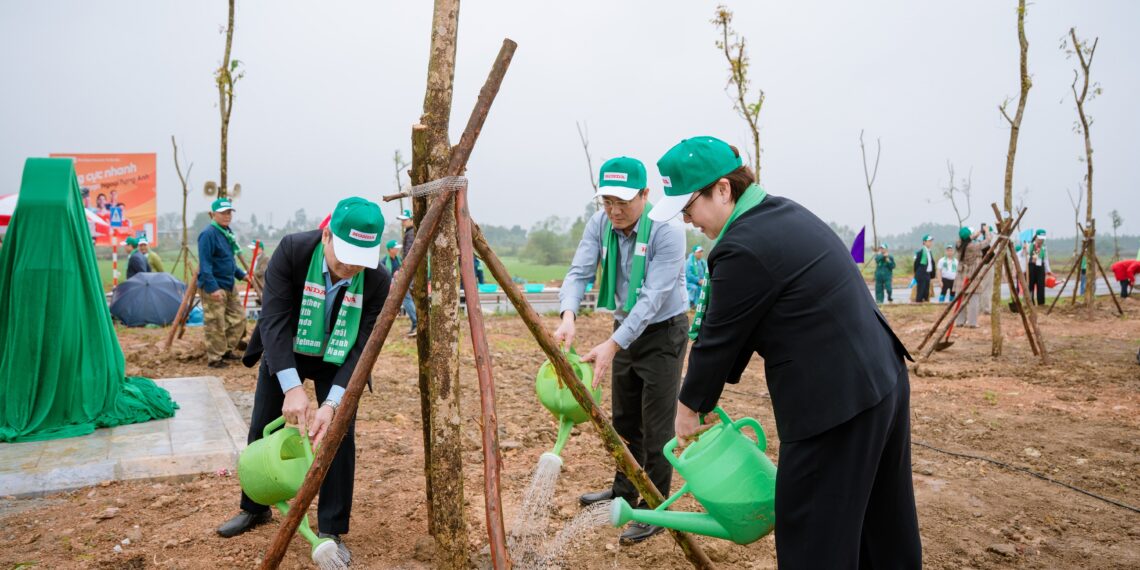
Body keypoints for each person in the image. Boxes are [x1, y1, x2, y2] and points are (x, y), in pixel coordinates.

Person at [653, 136, 919, 568]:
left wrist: (689, 409)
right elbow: (737, 330)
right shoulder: (782, 213)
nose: (687, 220)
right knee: (881, 522)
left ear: (723, 189)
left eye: (689, 206)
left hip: (835, 407)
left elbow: (718, 341)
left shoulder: (740, 245)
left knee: (814, 531)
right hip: (881, 379)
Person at [216, 197, 389, 563]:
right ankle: (255, 506)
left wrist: (331, 404)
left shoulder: (377, 279)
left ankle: (331, 529)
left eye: (360, 261)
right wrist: (292, 387)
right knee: (263, 424)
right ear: (327, 235)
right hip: (287, 351)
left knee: (338, 434)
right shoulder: (293, 251)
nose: (349, 268)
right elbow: (273, 321)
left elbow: (362, 347)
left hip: (338, 358)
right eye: (344, 257)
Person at [554, 155, 688, 545]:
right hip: (624, 328)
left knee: (657, 424)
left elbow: (652, 298)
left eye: (623, 201)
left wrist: (613, 344)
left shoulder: (667, 229)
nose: (614, 210)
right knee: (625, 418)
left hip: (664, 332)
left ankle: (655, 507)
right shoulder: (600, 225)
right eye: (607, 201)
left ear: (646, 194)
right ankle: (624, 489)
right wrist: (568, 315)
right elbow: (579, 272)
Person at [198, 198, 247, 368]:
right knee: (215, 323)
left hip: (229, 283)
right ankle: (215, 358)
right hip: (215, 285)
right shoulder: (208, 234)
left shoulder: (227, 233)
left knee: (239, 318)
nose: (227, 216)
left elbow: (228, 261)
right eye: (223, 213)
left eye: (229, 213)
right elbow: (205, 264)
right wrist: (212, 288)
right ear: (213, 214)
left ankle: (227, 349)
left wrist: (242, 275)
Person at [954, 227, 986, 328]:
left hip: (961, 274)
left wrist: (976, 234)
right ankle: (972, 322)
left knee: (960, 299)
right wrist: (988, 232)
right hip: (972, 274)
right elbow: (986, 242)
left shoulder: (958, 244)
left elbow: (964, 239)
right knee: (974, 299)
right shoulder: (972, 246)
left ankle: (960, 321)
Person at [397, 209, 418, 337]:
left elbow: (409, 254)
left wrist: (405, 270)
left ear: (411, 220)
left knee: (406, 296)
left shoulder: (411, 234)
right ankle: (417, 322)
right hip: (411, 270)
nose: (403, 222)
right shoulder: (410, 232)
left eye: (405, 219)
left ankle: (416, 322)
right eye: (402, 220)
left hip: (410, 270)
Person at [1026, 229, 1050, 305]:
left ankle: (1041, 303)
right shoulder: (1030, 245)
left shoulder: (1044, 247)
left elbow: (1046, 259)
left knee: (1041, 285)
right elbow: (1030, 258)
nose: (1041, 240)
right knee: (1030, 285)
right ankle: (1030, 303)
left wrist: (1048, 270)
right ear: (1036, 237)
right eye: (1040, 238)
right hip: (1031, 267)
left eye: (1043, 238)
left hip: (1040, 267)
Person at [913, 234, 935, 302]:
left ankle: (925, 303)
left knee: (926, 292)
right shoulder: (921, 252)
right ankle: (918, 304)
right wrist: (917, 273)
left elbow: (931, 263)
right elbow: (916, 264)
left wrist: (932, 274)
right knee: (920, 291)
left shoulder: (929, 251)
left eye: (931, 241)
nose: (930, 243)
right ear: (924, 242)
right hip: (921, 274)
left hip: (927, 274)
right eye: (929, 241)